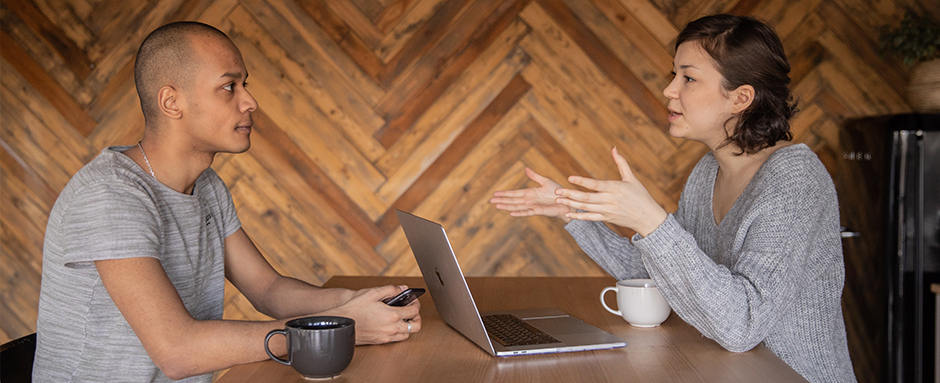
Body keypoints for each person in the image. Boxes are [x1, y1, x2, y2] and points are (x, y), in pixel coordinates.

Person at [32, 21, 421, 382]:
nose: (250, 102)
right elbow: (177, 351)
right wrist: (335, 327)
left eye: (244, 85)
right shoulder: (110, 195)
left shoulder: (207, 187)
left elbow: (267, 289)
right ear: (171, 102)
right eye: (229, 86)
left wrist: (353, 302)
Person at [490, 14, 855, 383]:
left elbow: (743, 326)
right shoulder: (706, 174)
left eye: (688, 77)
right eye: (674, 74)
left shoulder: (795, 180)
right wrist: (572, 210)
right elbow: (660, 274)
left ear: (741, 98)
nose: (669, 89)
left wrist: (651, 221)